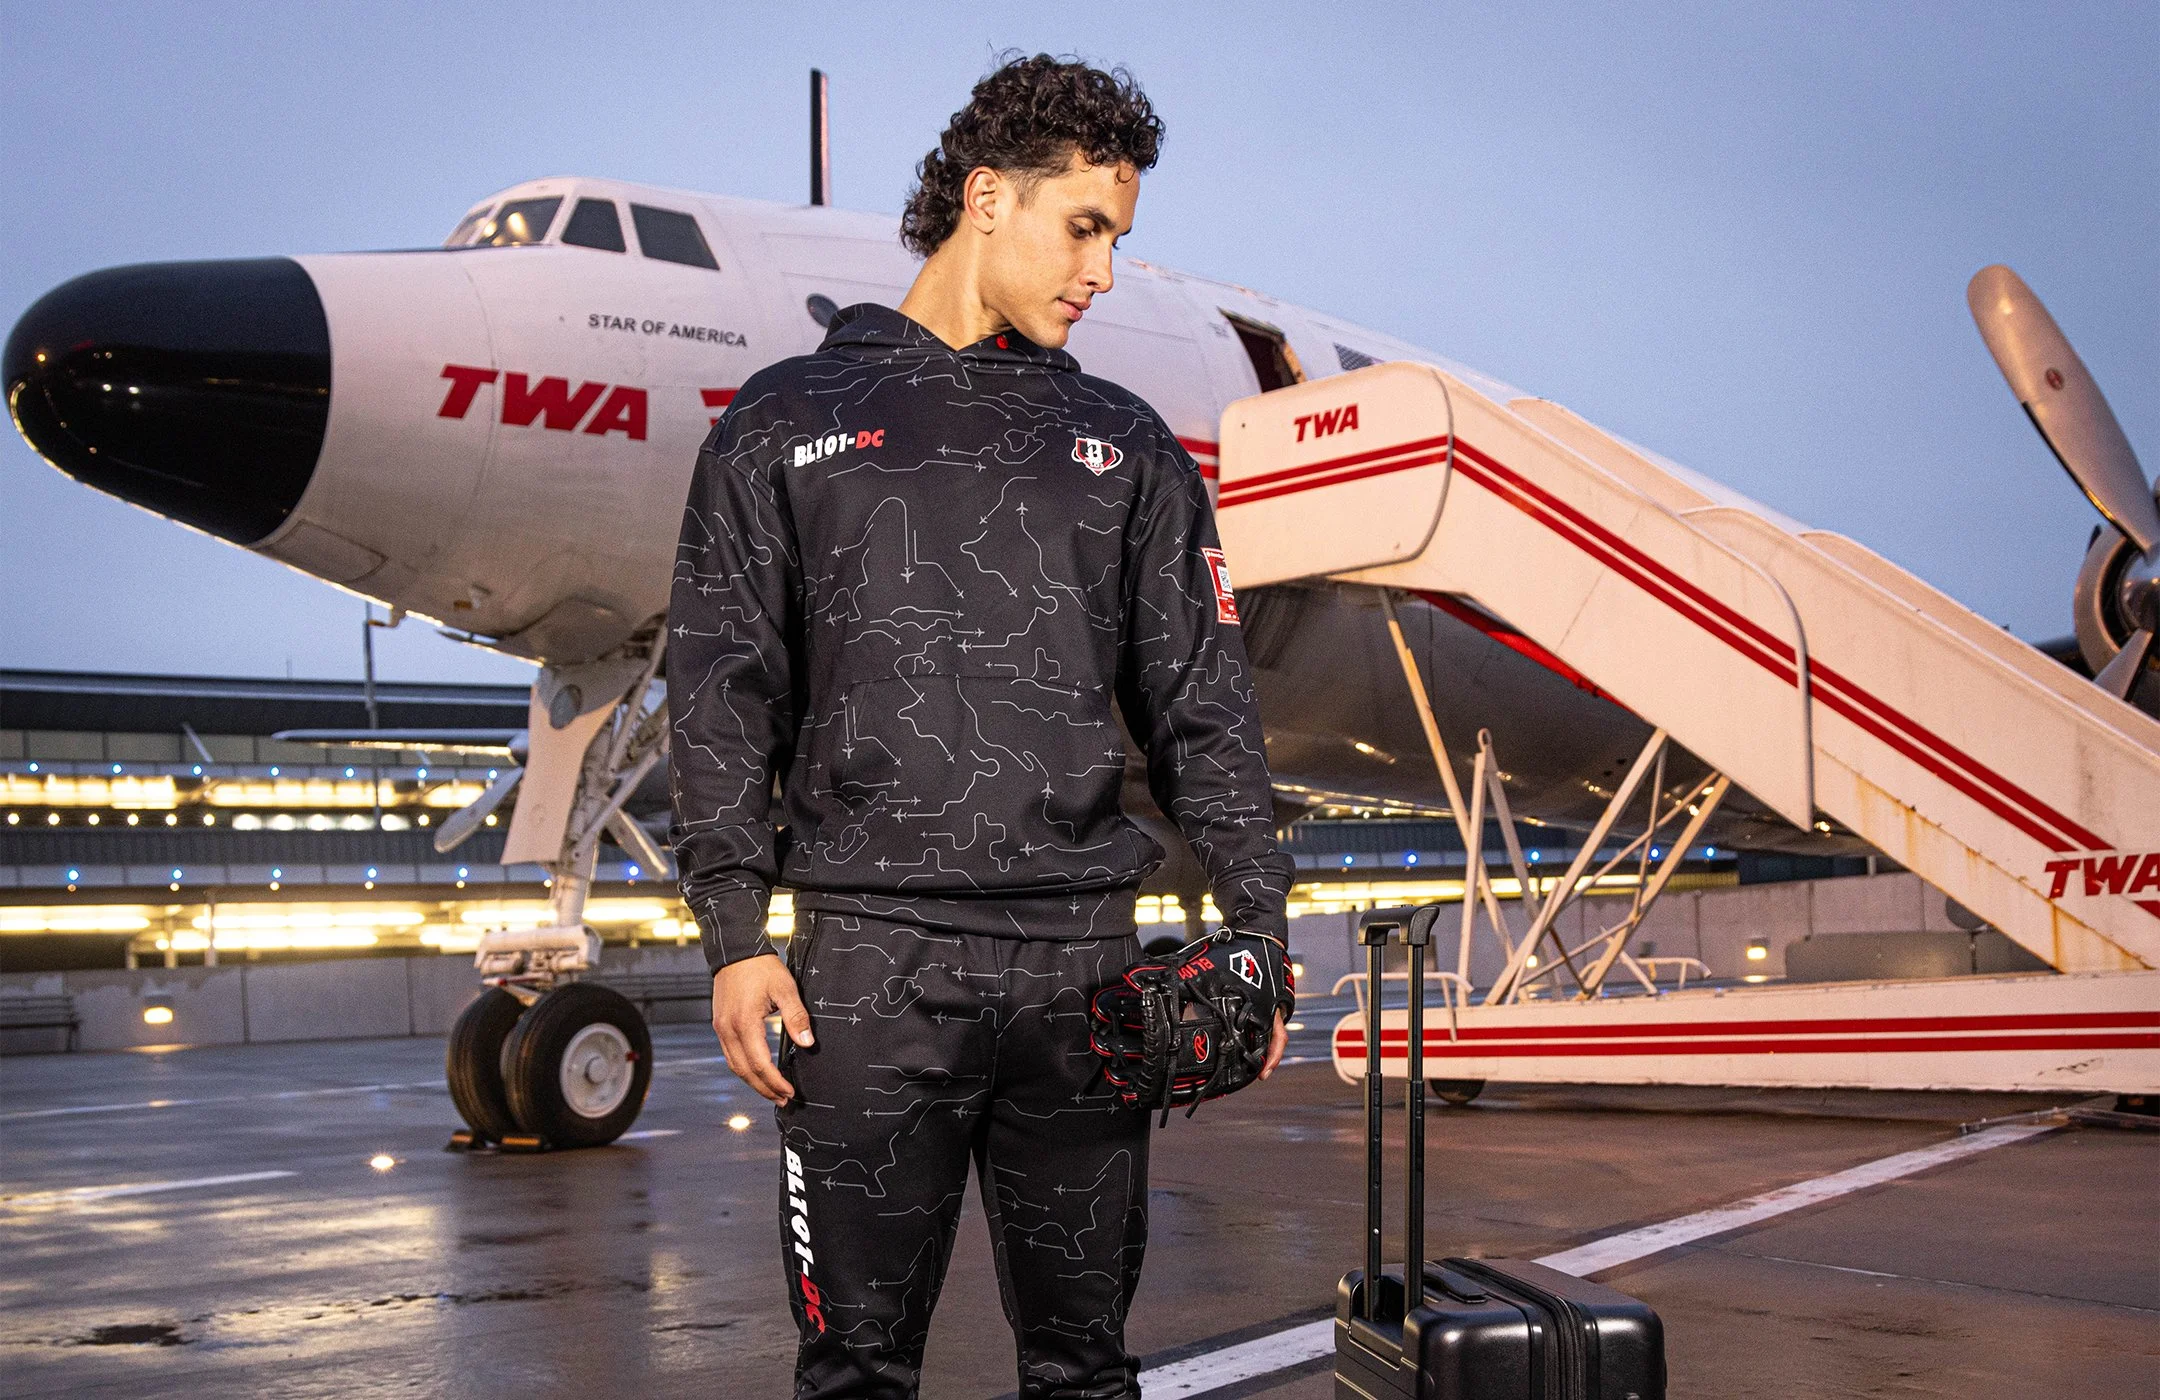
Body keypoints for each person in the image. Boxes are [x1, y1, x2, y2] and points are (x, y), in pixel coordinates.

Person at [667, 53, 1294, 1400]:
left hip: (1084, 986)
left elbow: (1205, 704)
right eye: (1086, 228)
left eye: (1118, 239)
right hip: (863, 981)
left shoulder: (1127, 447)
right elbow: (721, 692)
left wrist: (1261, 931)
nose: (1104, 273)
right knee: (855, 1367)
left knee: (1084, 1368)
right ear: (987, 196)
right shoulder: (782, 422)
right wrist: (733, 938)